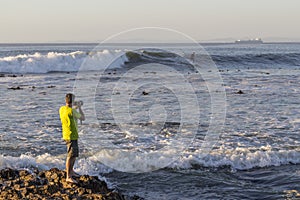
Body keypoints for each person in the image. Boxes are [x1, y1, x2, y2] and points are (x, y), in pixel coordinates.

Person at [59, 93, 85, 183]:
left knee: (73, 155)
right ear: (73, 101)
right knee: (71, 156)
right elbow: (83, 117)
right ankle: (68, 176)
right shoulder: (73, 112)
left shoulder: (62, 109)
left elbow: (70, 111)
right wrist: (80, 108)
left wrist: (75, 107)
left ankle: (71, 171)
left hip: (66, 135)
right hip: (72, 136)